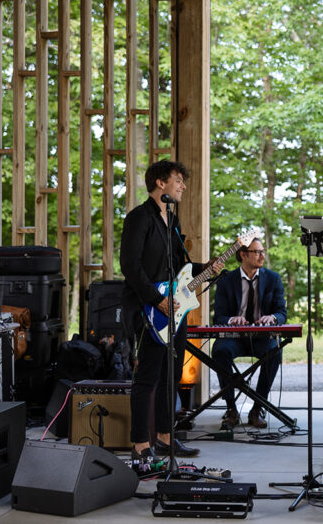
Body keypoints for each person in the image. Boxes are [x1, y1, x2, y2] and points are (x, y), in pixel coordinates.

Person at [120, 160, 222, 466]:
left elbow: (181, 269)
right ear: (160, 183)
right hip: (148, 310)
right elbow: (130, 266)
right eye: (178, 180)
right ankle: (140, 444)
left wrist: (207, 268)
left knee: (172, 376)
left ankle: (165, 437)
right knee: (147, 378)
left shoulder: (172, 221)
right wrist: (156, 300)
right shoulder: (139, 218)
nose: (183, 185)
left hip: (174, 310)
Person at [212, 237, 287, 430]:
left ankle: (258, 408)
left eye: (263, 251)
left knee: (274, 353)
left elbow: (282, 313)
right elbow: (218, 316)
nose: (262, 256)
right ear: (243, 255)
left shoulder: (273, 278)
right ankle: (231, 408)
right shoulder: (226, 280)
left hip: (262, 337)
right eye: (257, 252)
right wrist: (231, 320)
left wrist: (272, 318)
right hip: (234, 338)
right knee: (220, 352)